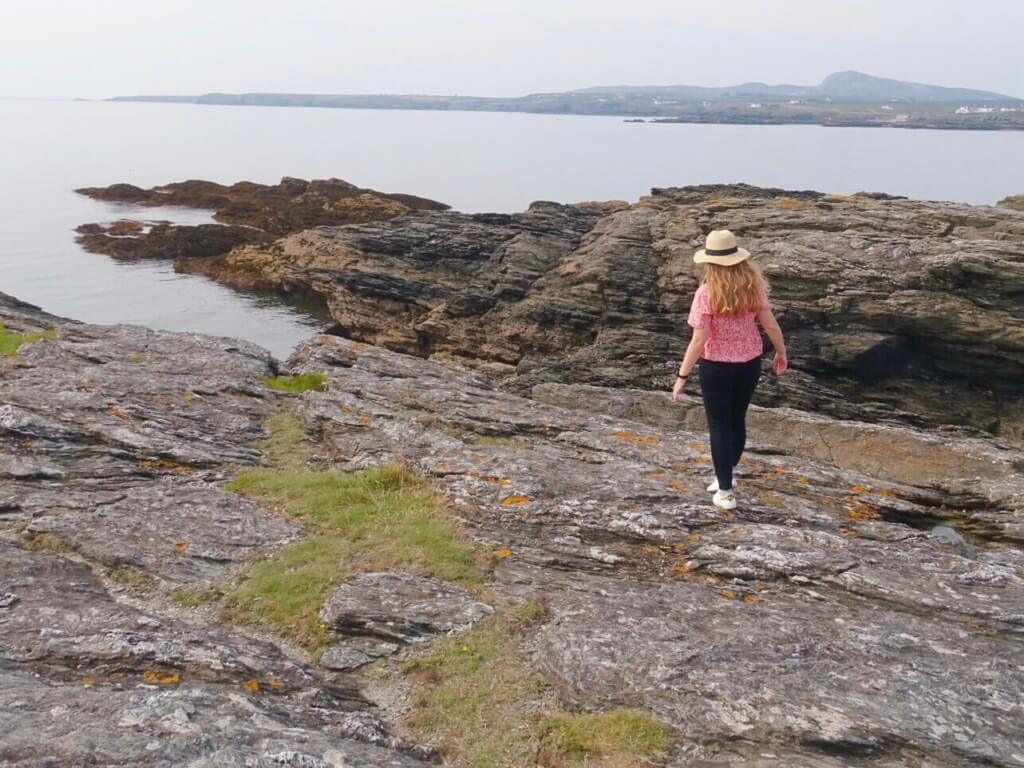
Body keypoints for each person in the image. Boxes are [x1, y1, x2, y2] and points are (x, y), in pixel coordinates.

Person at [672, 229, 787, 510]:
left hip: (716, 367)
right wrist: (781, 352)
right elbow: (770, 324)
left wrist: (682, 376)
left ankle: (725, 492)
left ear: (711, 262)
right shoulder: (753, 286)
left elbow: (698, 339)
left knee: (719, 425)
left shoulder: (706, 293)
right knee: (737, 419)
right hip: (749, 364)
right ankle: (726, 475)